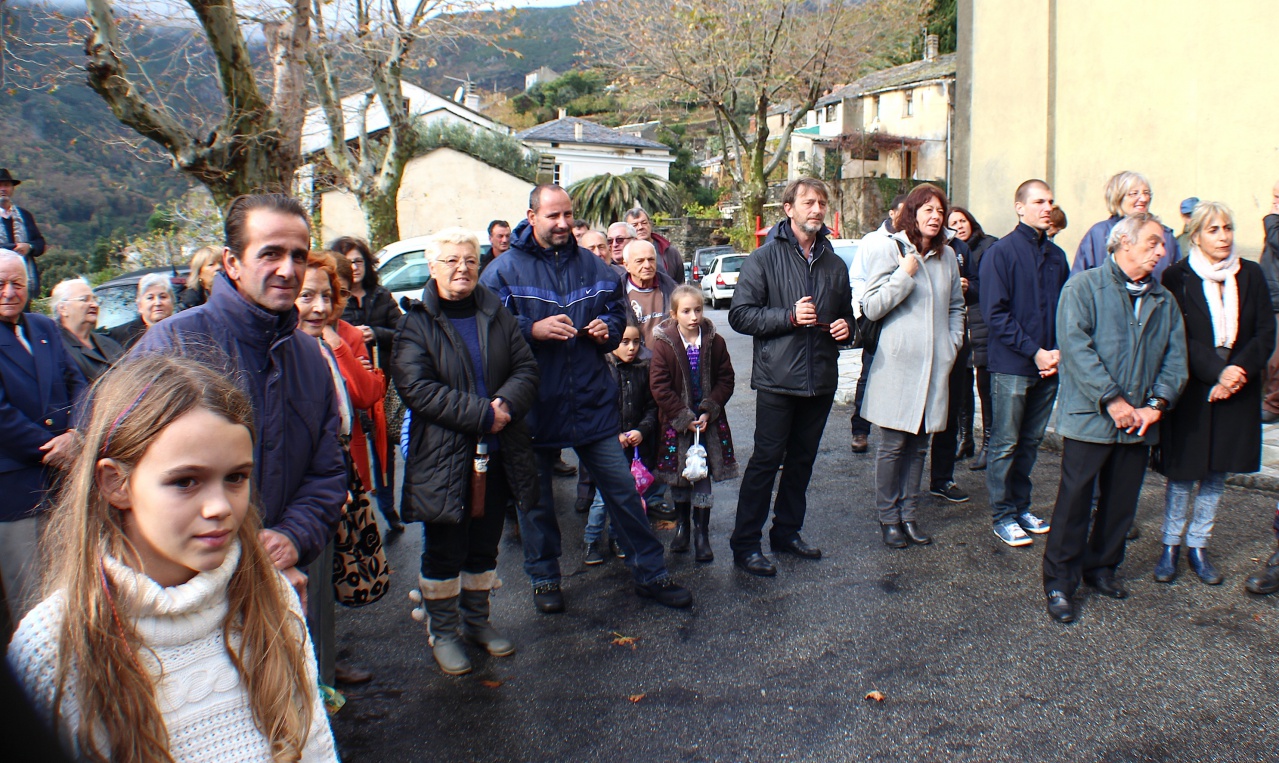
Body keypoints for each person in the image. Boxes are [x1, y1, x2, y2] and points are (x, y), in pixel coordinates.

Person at [6, 354, 338, 761]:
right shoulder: (53, 647)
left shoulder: (271, 596)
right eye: (185, 481)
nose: (220, 506)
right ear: (115, 483)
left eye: (236, 477)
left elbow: (315, 746)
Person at [132, 194, 348, 682]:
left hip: (278, 591)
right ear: (231, 262)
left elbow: (327, 470)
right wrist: (237, 551)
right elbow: (127, 475)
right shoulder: (172, 345)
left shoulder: (309, 358)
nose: (288, 269)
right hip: (183, 605)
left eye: (298, 255)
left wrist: (291, 536)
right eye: (270, 253)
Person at [479, 184, 692, 611]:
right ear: (531, 217)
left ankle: (651, 572)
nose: (562, 223)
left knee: (623, 493)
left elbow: (617, 315)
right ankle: (545, 580)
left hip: (592, 401)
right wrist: (531, 330)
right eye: (552, 216)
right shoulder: (502, 272)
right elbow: (488, 332)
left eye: (567, 215)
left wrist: (606, 332)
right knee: (536, 502)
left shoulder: (594, 267)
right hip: (533, 404)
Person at [394, 228, 540, 674]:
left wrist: (506, 405)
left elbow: (526, 368)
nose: (462, 268)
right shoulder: (415, 322)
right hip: (443, 458)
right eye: (452, 260)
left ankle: (477, 621)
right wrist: (483, 414)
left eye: (470, 260)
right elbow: (417, 388)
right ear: (432, 267)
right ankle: (443, 631)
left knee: (484, 546)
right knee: (445, 548)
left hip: (497, 453)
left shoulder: (496, 312)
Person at [1041, 212, 1187, 624]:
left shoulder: (1164, 300)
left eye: (1162, 245)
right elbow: (1076, 347)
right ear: (1125, 243)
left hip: (1139, 421)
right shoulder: (1085, 287)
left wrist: (1156, 405)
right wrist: (1112, 400)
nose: (1161, 251)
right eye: (1153, 242)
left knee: (1121, 503)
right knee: (1074, 502)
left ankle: (1102, 567)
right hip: (1091, 417)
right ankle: (1059, 582)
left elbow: (1176, 360)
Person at [727, 178, 854, 576]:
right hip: (778, 379)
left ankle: (786, 532)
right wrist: (788, 316)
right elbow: (740, 315)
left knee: (801, 462)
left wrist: (847, 328)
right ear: (789, 209)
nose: (816, 209)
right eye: (808, 202)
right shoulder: (763, 258)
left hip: (820, 380)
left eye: (822, 202)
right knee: (766, 462)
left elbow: (848, 316)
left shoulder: (835, 263)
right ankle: (746, 544)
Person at [1154, 203, 1273, 585]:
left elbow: (1265, 332)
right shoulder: (1177, 276)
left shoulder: (1250, 273)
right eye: (1214, 229)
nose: (1223, 236)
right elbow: (1177, 336)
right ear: (1196, 236)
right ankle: (1170, 544)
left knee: (1217, 471)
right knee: (1183, 472)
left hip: (1238, 387)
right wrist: (1217, 372)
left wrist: (1237, 372)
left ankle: (1198, 545)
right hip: (1194, 388)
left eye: (1228, 228)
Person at [860, 184, 964, 548]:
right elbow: (872, 307)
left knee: (919, 446)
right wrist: (903, 274)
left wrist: (952, 344)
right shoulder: (890, 249)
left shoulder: (947, 256)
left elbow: (956, 307)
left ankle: (909, 515)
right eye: (928, 210)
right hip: (897, 367)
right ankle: (888, 518)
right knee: (893, 446)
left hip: (935, 366)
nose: (936, 217)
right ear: (913, 213)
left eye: (940, 211)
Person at [980, 180, 1069, 547]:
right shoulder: (1000, 253)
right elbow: (995, 314)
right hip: (1012, 366)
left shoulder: (1057, 256)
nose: (1047, 208)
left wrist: (1057, 352)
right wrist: (1035, 351)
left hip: (1048, 367)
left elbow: (1064, 310)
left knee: (1030, 442)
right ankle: (1002, 515)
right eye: (1038, 201)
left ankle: (1021, 507)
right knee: (1005, 443)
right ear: (1019, 207)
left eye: (1050, 201)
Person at [0, 251, 84, 625]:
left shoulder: (44, 327)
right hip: (18, 490)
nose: (9, 292)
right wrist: (54, 448)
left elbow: (77, 382)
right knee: (33, 603)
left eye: (17, 283)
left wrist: (77, 433)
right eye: (0, 284)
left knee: (74, 585)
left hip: (65, 483)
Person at [650, 285, 737, 562]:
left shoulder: (715, 342)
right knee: (679, 477)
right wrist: (683, 417)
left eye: (698, 310)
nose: (694, 316)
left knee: (702, 475)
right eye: (686, 311)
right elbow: (660, 386)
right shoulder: (664, 345)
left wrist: (709, 409)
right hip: (677, 424)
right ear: (674, 314)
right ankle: (683, 528)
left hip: (707, 423)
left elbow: (726, 379)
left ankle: (702, 533)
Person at [331, 236, 405, 530]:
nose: (354, 267)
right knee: (354, 452)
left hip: (381, 386)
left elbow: (402, 331)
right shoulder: (334, 301)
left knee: (384, 452)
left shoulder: (381, 295)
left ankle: (387, 508)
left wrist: (375, 333)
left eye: (358, 261)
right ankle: (361, 511)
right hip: (350, 392)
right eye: (348, 263)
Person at [580, 317, 657, 564]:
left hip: (634, 449)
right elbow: (595, 408)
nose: (631, 348)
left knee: (626, 496)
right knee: (602, 499)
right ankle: (592, 539)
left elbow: (651, 407)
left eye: (636, 342)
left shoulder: (643, 370)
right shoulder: (603, 370)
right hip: (609, 446)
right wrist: (613, 433)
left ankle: (616, 537)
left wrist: (642, 430)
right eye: (625, 342)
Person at [849, 194, 906, 454]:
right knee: (869, 373)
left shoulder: (914, 242)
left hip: (903, 319)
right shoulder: (872, 241)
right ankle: (860, 430)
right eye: (902, 211)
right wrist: (865, 309)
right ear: (891, 212)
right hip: (875, 317)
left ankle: (897, 428)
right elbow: (857, 277)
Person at [948, 207, 999, 471]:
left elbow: (992, 283)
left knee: (985, 386)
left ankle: (989, 443)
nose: (959, 226)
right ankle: (965, 438)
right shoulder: (950, 249)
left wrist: (970, 285)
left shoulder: (989, 246)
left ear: (971, 222)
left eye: (962, 220)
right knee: (962, 385)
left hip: (983, 322)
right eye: (953, 223)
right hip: (960, 324)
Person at [1072, 171, 1180, 280]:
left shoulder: (1164, 235)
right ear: (1118, 198)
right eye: (1134, 193)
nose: (1143, 199)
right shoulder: (1098, 234)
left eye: (1146, 193)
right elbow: (1078, 282)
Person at [51, 277, 124, 383]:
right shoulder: (56, 348)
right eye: (84, 299)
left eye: (94, 299)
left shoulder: (110, 344)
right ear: (63, 308)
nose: (95, 305)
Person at [0, 170, 46, 302]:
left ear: (12, 189)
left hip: (25, 281)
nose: (3, 189)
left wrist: (29, 247)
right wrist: (14, 248)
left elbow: (40, 242)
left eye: (6, 185)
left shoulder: (24, 215)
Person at [623, 238, 677, 348]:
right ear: (626, 265)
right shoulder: (616, 294)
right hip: (634, 358)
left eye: (651, 259)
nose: (647, 265)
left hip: (667, 356)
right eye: (640, 261)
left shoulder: (673, 290)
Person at [107, 272, 176, 350]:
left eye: (163, 297)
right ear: (139, 305)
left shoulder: (182, 328)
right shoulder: (120, 335)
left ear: (172, 302)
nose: (157, 303)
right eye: (150, 298)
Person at [1258, 182, 1279, 423]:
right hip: (1269, 295)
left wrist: (1272, 219)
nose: (1275, 202)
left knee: (1275, 358)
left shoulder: (1274, 222)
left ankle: (1273, 404)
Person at [626, 207, 685, 284]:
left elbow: (680, 284)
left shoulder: (670, 252)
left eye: (644, 223)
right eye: (635, 225)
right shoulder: (623, 253)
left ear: (650, 224)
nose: (640, 227)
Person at [178, 245, 223, 310]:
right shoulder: (191, 301)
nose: (219, 267)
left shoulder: (235, 292)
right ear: (199, 273)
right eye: (211, 265)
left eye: (222, 263)